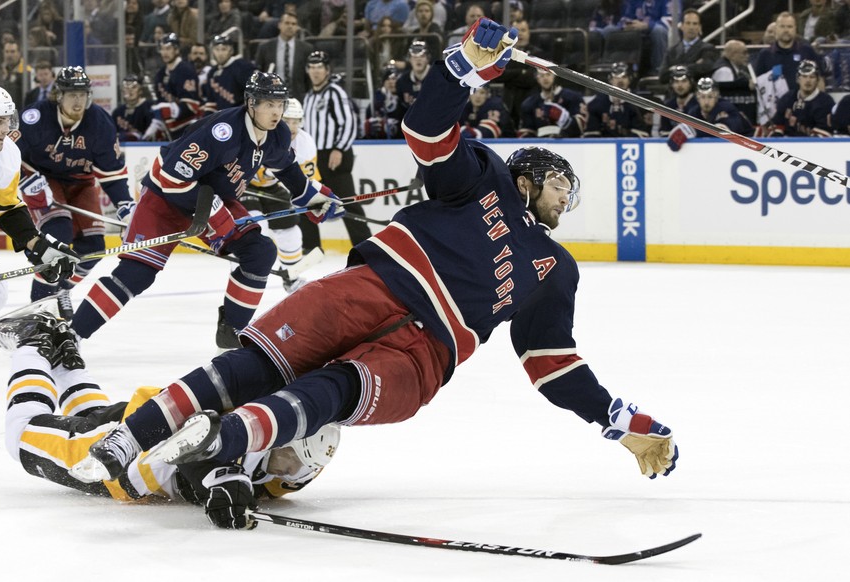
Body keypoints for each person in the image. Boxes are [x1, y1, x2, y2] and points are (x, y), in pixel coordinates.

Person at [70, 19, 680, 527]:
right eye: (559, 184)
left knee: (336, 392)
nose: (565, 200)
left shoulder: (558, 271)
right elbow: (427, 130)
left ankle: (222, 444)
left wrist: (617, 421)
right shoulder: (485, 176)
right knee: (257, 362)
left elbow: (551, 361)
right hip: (376, 285)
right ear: (529, 175)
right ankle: (134, 434)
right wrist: (462, 65)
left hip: (429, 351)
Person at [0, 303, 340, 531]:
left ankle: (64, 356)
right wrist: (220, 477)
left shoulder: (292, 456)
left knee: (90, 418)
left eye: (300, 469)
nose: (290, 472)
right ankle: (30, 345)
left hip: (137, 426)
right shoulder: (255, 424)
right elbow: (195, 437)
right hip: (129, 454)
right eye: (289, 459)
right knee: (19, 437)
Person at [69, 72, 343, 351]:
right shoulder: (222, 131)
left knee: (259, 252)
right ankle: (72, 334)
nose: (276, 112)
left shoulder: (277, 134)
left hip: (213, 198)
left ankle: (232, 332)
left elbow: (287, 170)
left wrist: (315, 198)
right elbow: (171, 179)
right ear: (250, 103)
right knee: (136, 274)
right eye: (268, 104)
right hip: (165, 199)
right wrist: (216, 214)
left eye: (279, 104)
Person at [12, 67, 134, 310]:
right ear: (59, 95)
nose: (78, 101)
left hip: (81, 182)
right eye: (72, 94)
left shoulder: (100, 123)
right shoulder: (34, 117)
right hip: (43, 180)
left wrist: (125, 205)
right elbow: (9, 155)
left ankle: (61, 289)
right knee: (59, 233)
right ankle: (38, 304)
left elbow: (111, 172)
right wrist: (27, 178)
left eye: (83, 94)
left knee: (95, 247)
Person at [0, 83, 78, 318]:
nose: (6, 128)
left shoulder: (4, 156)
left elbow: (4, 207)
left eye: (7, 120)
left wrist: (37, 244)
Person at [241, 98, 317, 292]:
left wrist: (318, 200)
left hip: (273, 186)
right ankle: (243, 273)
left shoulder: (305, 142)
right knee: (256, 227)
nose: (292, 127)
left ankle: (290, 276)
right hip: (245, 184)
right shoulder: (263, 131)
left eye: (296, 121)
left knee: (291, 232)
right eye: (288, 121)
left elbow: (310, 179)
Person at [301, 50, 371, 253]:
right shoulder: (308, 97)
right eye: (311, 67)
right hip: (315, 158)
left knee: (348, 203)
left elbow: (349, 123)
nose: (315, 71)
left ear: (327, 70)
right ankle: (311, 247)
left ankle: (366, 248)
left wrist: (339, 148)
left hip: (334, 155)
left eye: (319, 67)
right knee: (307, 202)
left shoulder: (335, 92)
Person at [666, 77, 754, 151]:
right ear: (697, 97)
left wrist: (693, 130)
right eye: (703, 97)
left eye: (710, 97)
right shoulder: (694, 111)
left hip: (749, 145)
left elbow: (722, 132)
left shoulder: (726, 107)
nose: (706, 102)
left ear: (716, 96)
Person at [144, 33, 202, 141]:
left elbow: (192, 107)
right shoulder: (160, 75)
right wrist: (157, 123)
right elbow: (161, 104)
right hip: (172, 129)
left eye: (168, 48)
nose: (165, 52)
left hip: (190, 127)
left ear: (176, 50)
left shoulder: (186, 70)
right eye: (162, 49)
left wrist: (169, 109)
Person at [754, 12, 826, 96]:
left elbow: (819, 79)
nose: (786, 30)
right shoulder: (765, 54)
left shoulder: (807, 51)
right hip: (775, 106)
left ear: (795, 29)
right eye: (782, 26)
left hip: (803, 105)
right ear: (776, 29)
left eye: (789, 27)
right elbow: (758, 83)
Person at [253, 12, 315, 102]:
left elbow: (309, 77)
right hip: (271, 99)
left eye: (293, 24)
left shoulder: (307, 48)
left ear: (297, 27)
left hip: (298, 100)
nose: (290, 26)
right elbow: (258, 73)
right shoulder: (265, 47)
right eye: (287, 23)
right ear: (279, 25)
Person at [767, 60, 834, 137]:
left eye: (812, 77)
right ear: (798, 79)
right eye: (804, 76)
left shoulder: (826, 102)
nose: (808, 80)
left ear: (817, 80)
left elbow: (825, 133)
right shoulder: (787, 98)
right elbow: (777, 125)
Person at [584, 63, 651, 137]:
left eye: (624, 77)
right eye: (616, 77)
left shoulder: (640, 103)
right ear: (610, 79)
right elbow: (591, 134)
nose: (620, 80)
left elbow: (643, 134)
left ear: (630, 80)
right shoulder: (597, 103)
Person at [518, 68, 586, 138]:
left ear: (555, 76)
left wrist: (562, 117)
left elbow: (581, 126)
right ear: (537, 79)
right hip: (542, 145)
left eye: (548, 74)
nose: (545, 78)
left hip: (568, 145)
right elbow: (526, 134)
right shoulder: (529, 103)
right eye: (542, 75)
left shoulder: (573, 97)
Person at [657, 8, 718, 85]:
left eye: (695, 24)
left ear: (699, 27)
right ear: (682, 26)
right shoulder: (672, 51)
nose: (691, 27)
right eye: (688, 23)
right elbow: (662, 76)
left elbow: (705, 68)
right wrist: (694, 65)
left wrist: (674, 69)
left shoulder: (708, 49)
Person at [202, 34, 258, 114]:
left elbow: (254, 95)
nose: (220, 53)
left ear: (231, 51)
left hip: (240, 115)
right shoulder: (212, 72)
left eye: (224, 49)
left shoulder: (243, 68)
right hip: (222, 118)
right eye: (217, 49)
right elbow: (211, 102)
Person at [710, 39, 757, 126]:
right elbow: (726, 94)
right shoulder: (725, 70)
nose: (747, 56)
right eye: (744, 52)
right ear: (732, 54)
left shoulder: (734, 68)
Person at [616, 0, 670, 76]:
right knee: (611, 30)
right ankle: (622, 71)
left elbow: (668, 21)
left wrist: (647, 25)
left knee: (659, 31)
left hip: (657, 30)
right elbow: (625, 17)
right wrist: (628, 25)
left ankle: (658, 71)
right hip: (636, 31)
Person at [112, 74, 156, 141]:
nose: (129, 90)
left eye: (134, 87)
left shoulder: (150, 107)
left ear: (141, 90)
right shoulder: (117, 112)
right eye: (126, 87)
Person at [658, 64, 698, 136]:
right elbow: (663, 132)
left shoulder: (698, 104)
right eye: (676, 82)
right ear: (672, 84)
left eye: (684, 81)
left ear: (690, 83)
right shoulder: (668, 106)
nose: (680, 85)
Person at [395, 39, 432, 115]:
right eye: (414, 57)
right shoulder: (402, 81)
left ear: (428, 59)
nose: (418, 60)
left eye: (422, 56)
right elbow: (401, 109)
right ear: (409, 59)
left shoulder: (439, 78)